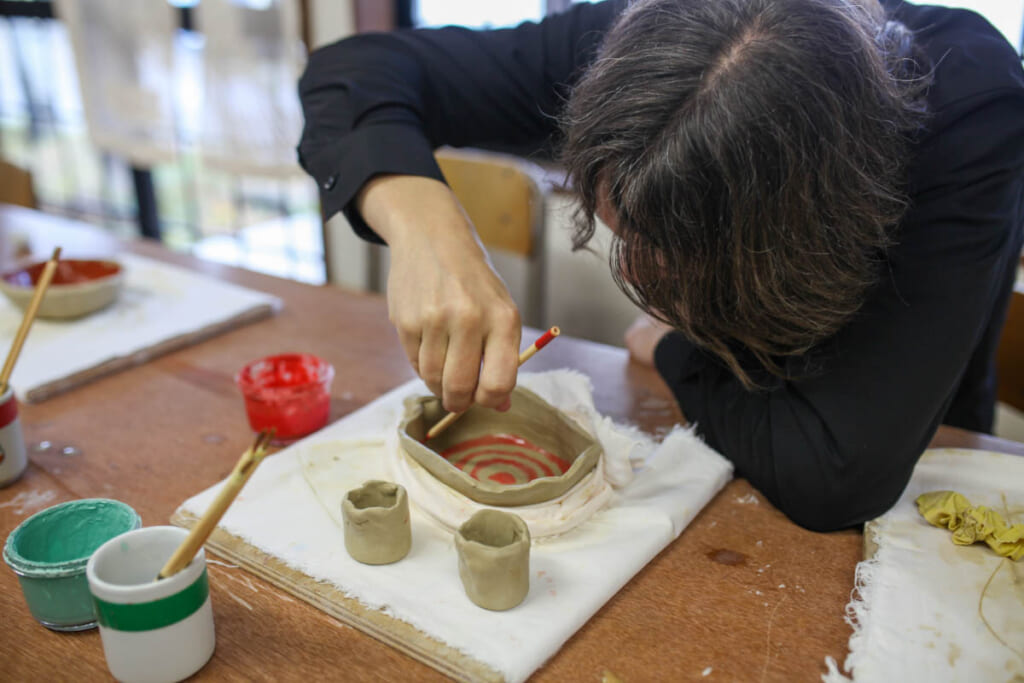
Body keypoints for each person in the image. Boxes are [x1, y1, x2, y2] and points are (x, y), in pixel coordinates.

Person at [297, 0, 1024, 531]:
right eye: (625, 229)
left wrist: (675, 348)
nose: (639, 269)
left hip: (906, 485)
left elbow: (835, 471)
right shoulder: (659, 42)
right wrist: (432, 233)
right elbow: (354, 72)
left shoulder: (970, 106)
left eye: (673, 257)